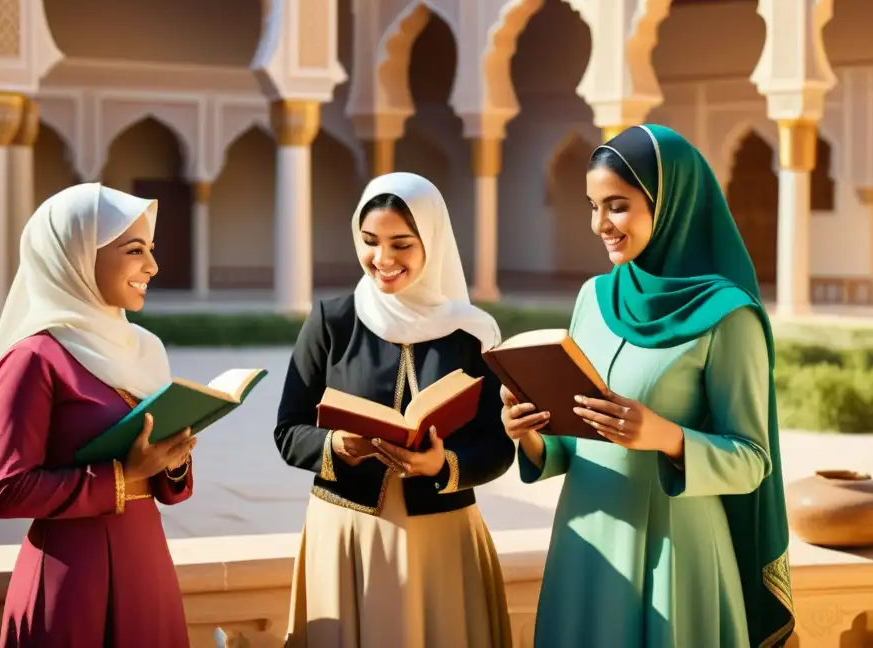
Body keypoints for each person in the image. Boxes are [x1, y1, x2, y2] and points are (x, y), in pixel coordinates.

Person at [502, 125, 794, 648]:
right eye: (592, 206)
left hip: (674, 552)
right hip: (586, 541)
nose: (600, 225)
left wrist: (666, 436)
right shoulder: (594, 298)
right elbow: (573, 439)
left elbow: (752, 459)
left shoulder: (726, 316)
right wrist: (527, 433)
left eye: (617, 205)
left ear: (671, 201)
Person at [0, 183, 196, 648]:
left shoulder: (145, 349)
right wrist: (123, 475)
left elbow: (166, 489)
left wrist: (173, 458)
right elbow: (9, 489)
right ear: (77, 255)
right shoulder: (34, 358)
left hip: (148, 566)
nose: (152, 267)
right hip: (72, 577)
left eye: (152, 250)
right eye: (134, 250)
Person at [275, 172, 515, 648]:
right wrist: (335, 445)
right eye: (369, 242)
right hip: (348, 536)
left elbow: (497, 445)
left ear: (432, 242)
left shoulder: (472, 334)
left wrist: (442, 464)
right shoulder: (332, 321)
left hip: (442, 541)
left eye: (401, 244)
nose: (382, 260)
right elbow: (288, 430)